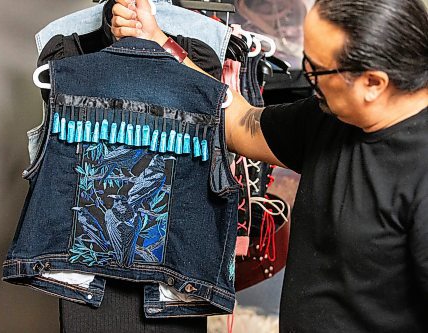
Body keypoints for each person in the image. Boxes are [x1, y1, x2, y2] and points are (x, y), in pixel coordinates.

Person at [110, 0, 428, 331]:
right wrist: (159, 41)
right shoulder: (331, 117)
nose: (307, 76)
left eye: (316, 69)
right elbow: (240, 123)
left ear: (373, 83)